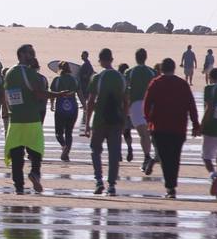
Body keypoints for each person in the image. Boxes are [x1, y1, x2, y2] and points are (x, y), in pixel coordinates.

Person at [143, 58, 201, 198]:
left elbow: (146, 104)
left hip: (159, 128)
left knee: (165, 158)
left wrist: (149, 120)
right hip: (178, 128)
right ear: (174, 68)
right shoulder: (182, 84)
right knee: (174, 158)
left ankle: (170, 187)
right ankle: (171, 186)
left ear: (162, 69)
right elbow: (191, 105)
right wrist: (195, 124)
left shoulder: (156, 83)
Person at [2, 43, 50, 194]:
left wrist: (6, 111)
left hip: (15, 120)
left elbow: (7, 96)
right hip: (31, 119)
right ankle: (34, 173)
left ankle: (19, 187)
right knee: (36, 152)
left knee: (17, 156)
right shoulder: (30, 74)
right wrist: (58, 95)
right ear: (21, 54)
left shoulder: (9, 73)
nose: (33, 56)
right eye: (30, 53)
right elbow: (39, 94)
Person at [85, 48, 128, 196]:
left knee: (96, 150)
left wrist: (87, 123)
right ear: (112, 59)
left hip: (100, 121)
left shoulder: (97, 77)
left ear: (101, 60)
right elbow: (126, 101)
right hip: (116, 121)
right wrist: (124, 121)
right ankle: (111, 185)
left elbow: (90, 102)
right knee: (114, 153)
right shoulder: (121, 78)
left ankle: (98, 180)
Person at [126, 48, 157, 172]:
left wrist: (126, 107)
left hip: (136, 105)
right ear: (146, 57)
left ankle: (147, 157)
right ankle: (148, 157)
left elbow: (126, 89)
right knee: (147, 134)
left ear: (136, 57)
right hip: (150, 106)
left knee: (143, 134)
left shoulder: (130, 72)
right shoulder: (152, 72)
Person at [202, 67, 217, 200]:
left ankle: (213, 175)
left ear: (210, 77)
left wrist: (201, 125)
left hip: (211, 128)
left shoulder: (209, 89)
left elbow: (209, 107)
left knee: (206, 158)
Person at [49, 61, 80, 161]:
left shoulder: (57, 80)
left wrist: (52, 104)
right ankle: (66, 152)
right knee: (69, 132)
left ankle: (64, 146)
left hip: (60, 108)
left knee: (58, 133)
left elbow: (53, 93)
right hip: (73, 108)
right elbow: (80, 93)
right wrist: (84, 105)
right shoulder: (74, 80)